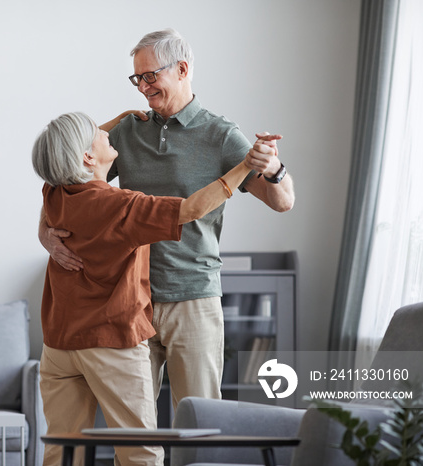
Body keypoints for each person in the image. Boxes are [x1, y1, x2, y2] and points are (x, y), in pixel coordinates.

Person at [39, 29, 295, 413]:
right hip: (130, 302)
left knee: (200, 418)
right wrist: (45, 234)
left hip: (193, 296)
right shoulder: (127, 132)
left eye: (149, 76)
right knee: (135, 427)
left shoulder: (221, 135)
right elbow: (65, 175)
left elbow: (283, 201)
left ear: (182, 69)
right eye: (137, 78)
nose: (142, 87)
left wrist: (273, 167)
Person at [32, 112, 256, 466]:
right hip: (110, 342)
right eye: (99, 134)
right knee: (140, 452)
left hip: (58, 345)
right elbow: (191, 208)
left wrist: (121, 118)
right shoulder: (122, 207)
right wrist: (243, 167)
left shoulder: (56, 192)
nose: (110, 134)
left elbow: (61, 150)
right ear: (87, 156)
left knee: (62, 452)